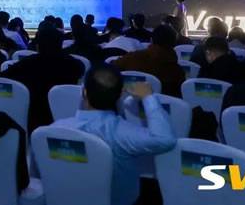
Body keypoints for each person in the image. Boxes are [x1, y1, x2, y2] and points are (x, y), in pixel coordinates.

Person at [53, 64, 176, 205]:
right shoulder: (122, 133)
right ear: (120, 95)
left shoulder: (55, 130)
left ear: (84, 93)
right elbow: (165, 139)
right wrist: (148, 97)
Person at [0, 27, 84, 132]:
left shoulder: (27, 63)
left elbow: (2, 76)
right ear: (60, 44)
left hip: (33, 120)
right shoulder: (74, 64)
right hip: (67, 120)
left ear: (38, 45)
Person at [113, 25, 185, 97]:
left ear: (151, 40)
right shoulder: (178, 72)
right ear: (174, 43)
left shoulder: (131, 58)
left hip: (128, 102)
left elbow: (112, 68)